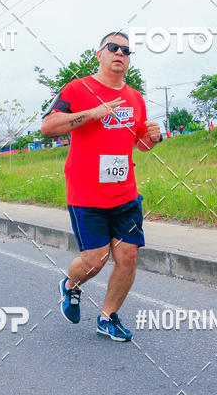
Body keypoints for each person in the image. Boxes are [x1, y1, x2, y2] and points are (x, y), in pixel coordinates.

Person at [40, 31, 161, 342]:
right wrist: (92, 114)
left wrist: (154, 137)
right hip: (86, 194)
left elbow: (140, 144)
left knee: (128, 256)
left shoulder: (135, 98)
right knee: (95, 261)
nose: (120, 53)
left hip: (125, 193)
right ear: (100, 54)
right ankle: (71, 285)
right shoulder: (77, 88)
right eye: (113, 47)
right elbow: (48, 126)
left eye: (126, 50)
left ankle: (108, 318)